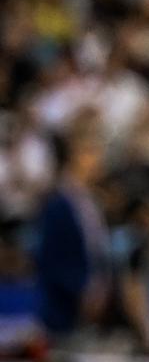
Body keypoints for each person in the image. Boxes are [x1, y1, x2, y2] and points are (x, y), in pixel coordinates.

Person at [32, 130, 109, 345]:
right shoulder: (58, 202)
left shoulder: (89, 201)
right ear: (74, 157)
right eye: (90, 152)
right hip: (64, 309)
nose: (97, 159)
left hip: (91, 307)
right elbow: (50, 257)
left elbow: (94, 250)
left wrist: (99, 286)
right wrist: (81, 289)